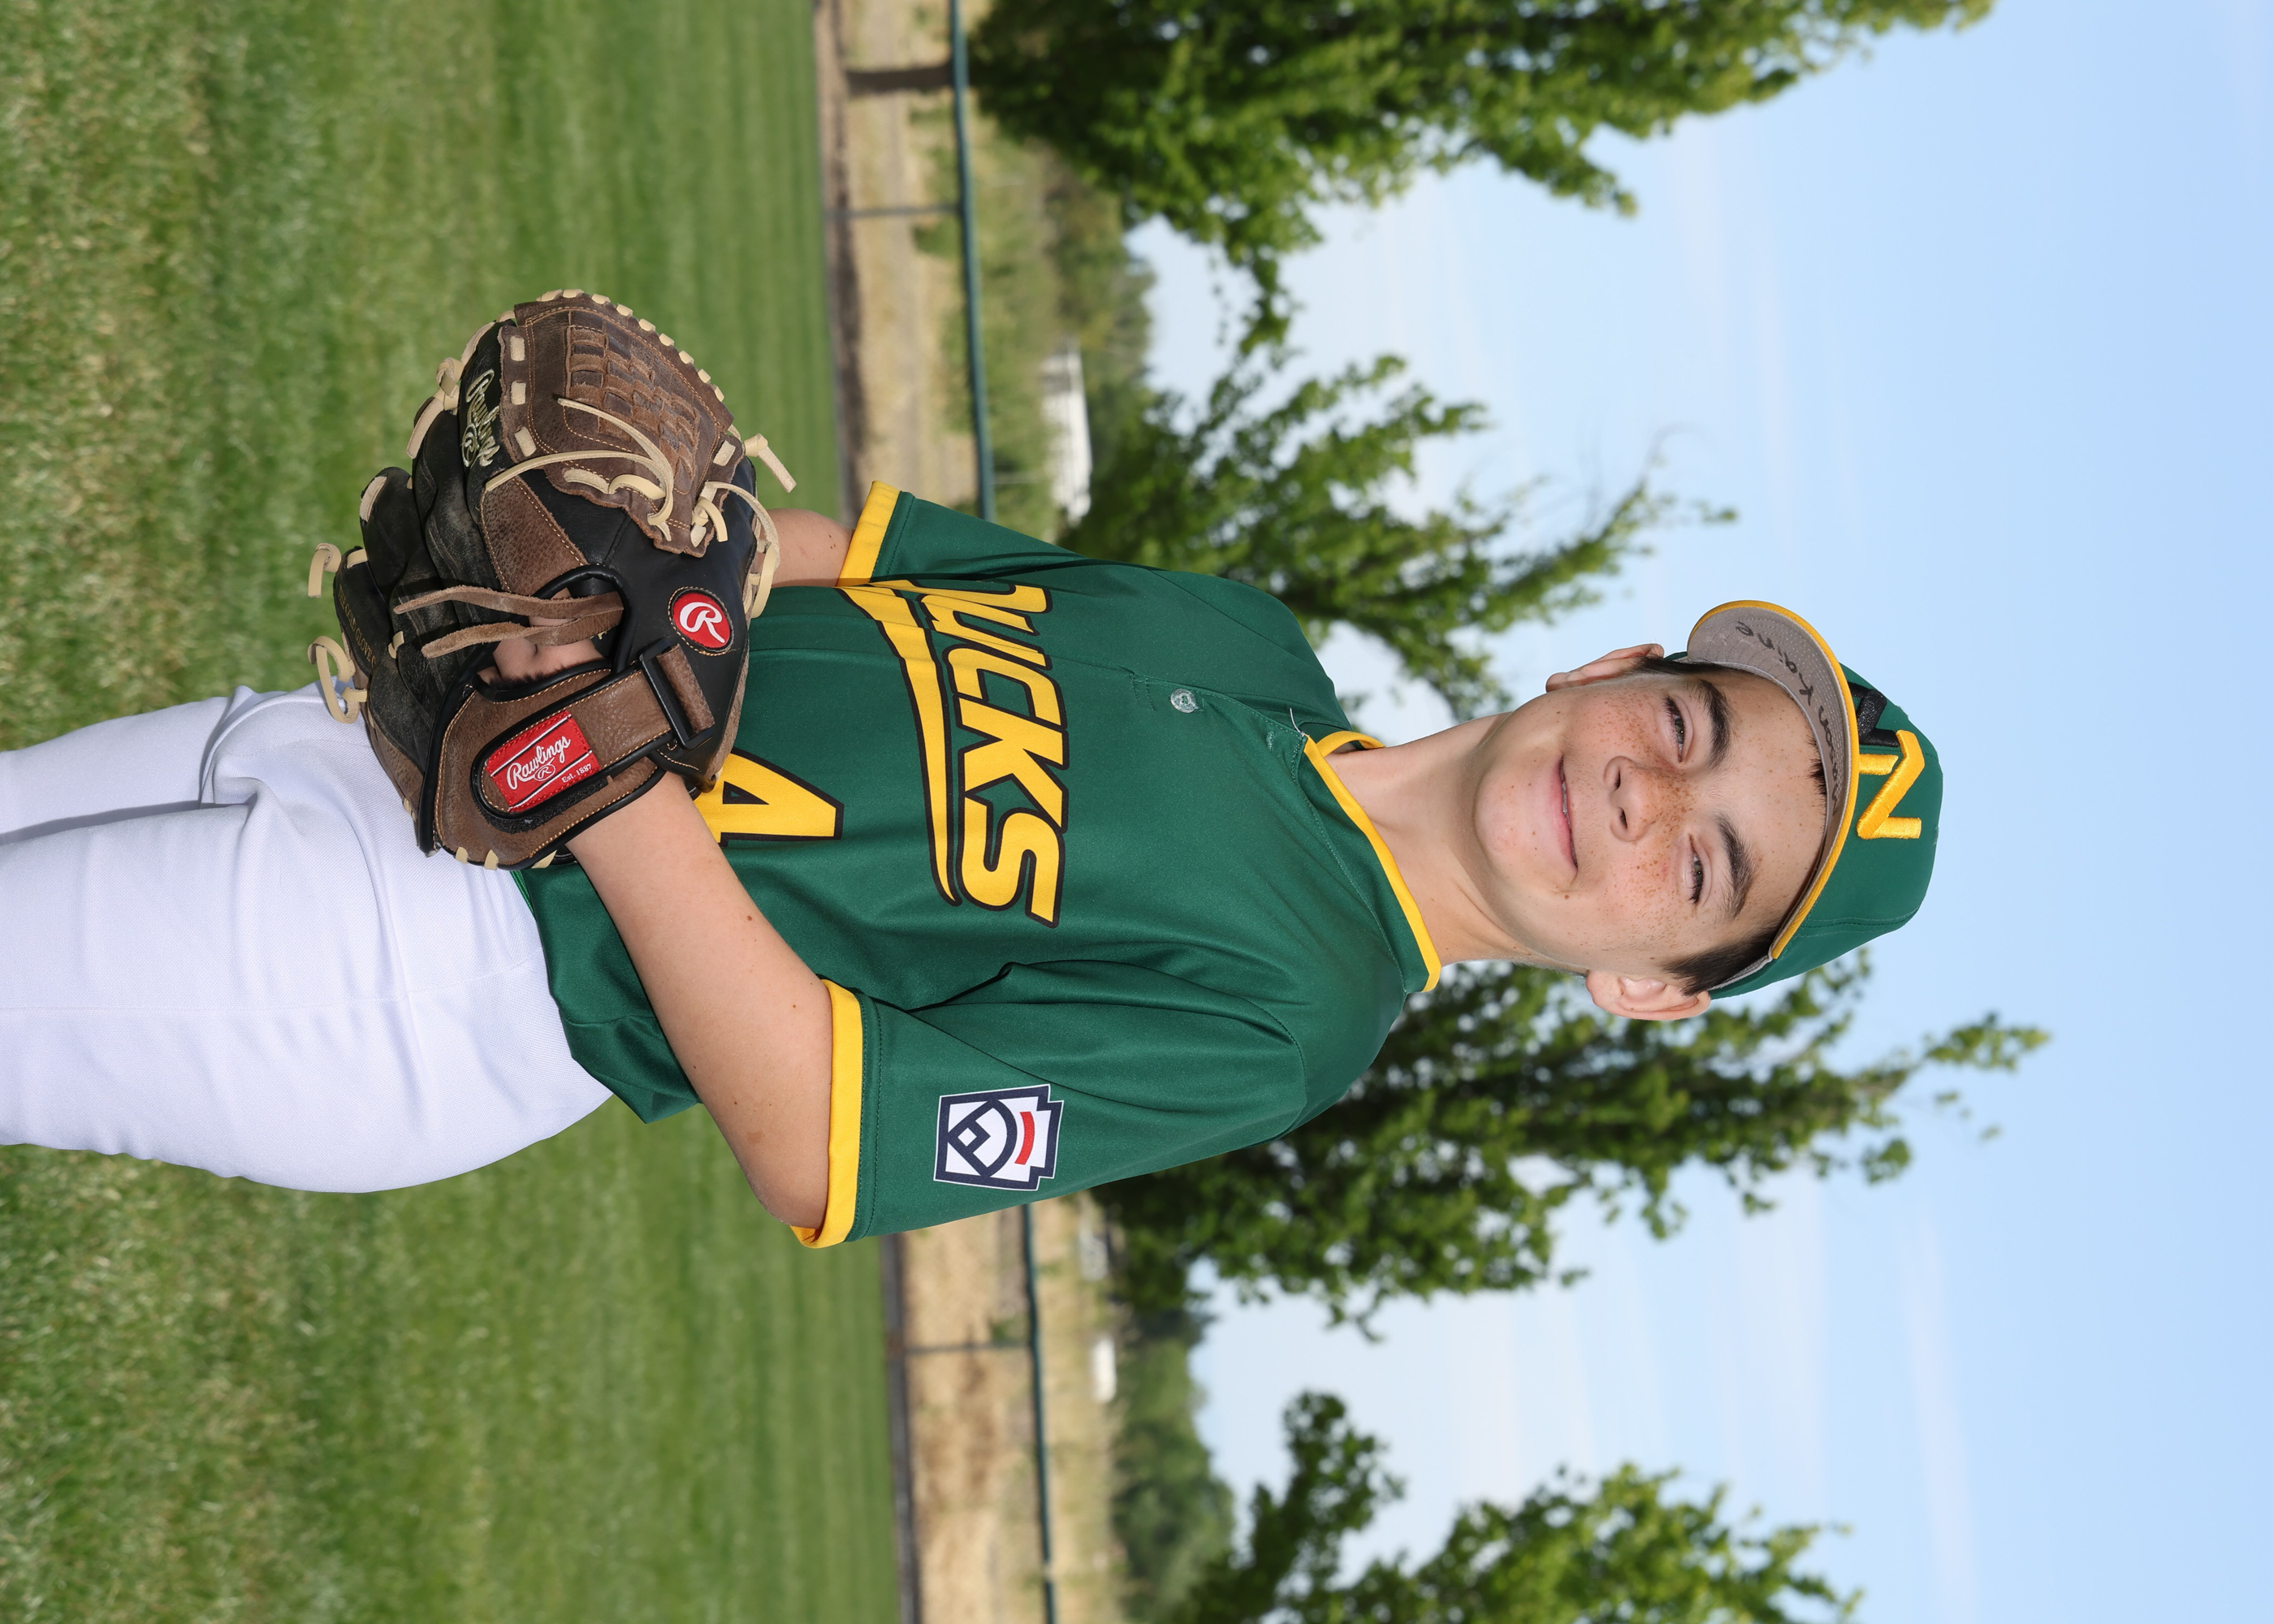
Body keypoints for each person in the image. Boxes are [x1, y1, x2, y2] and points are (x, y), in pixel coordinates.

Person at [0, 482, 1941, 1249]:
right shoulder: (1247, 642)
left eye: (1708, 871)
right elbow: (856, 558)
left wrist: (598, 757)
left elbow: (824, 1137)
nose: (1646, 801)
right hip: (398, 737)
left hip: (442, 975)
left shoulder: (1291, 1018)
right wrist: (640, 557)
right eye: (1684, 729)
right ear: (1612, 669)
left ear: (1648, 984)